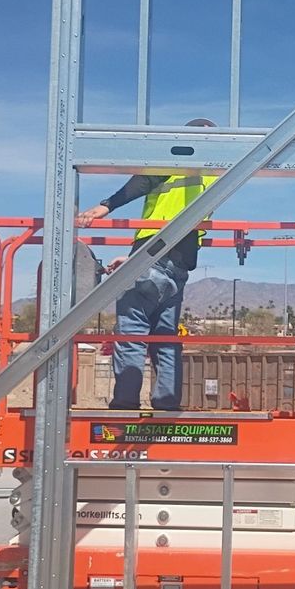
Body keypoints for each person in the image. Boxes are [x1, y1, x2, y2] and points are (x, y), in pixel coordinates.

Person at [76, 118, 218, 410]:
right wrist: (130, 259)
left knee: (131, 333)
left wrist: (106, 205)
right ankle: (167, 402)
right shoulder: (217, 173)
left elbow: (144, 180)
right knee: (165, 338)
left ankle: (126, 402)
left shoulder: (179, 158)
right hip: (179, 267)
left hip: (150, 255)